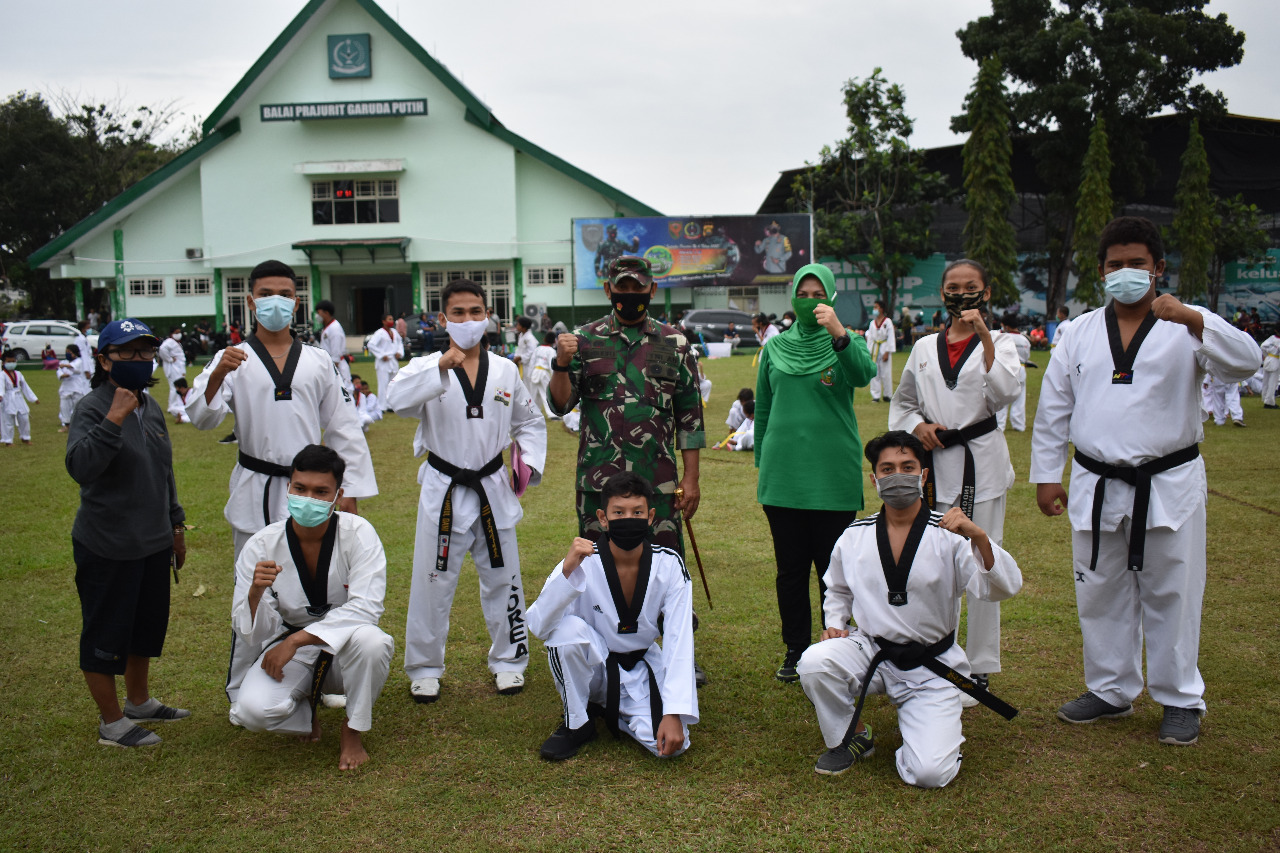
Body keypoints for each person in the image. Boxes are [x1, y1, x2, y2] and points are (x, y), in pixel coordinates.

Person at [1031, 215, 1262, 746]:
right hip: (1096, 480)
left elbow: (1246, 364)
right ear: (1100, 271)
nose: (1126, 273)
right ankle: (1111, 689)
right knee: (1101, 591)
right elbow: (1054, 409)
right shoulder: (1080, 332)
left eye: (1137, 263)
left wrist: (1194, 319)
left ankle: (1180, 697)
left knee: (1173, 592)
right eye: (1116, 265)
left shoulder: (1189, 324)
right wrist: (1047, 474)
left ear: (1158, 268)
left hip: (1168, 481)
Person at [798, 431, 1022, 786]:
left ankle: (933, 739)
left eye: (907, 467)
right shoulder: (855, 535)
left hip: (931, 663)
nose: (897, 475)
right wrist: (836, 623)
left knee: (930, 773)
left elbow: (1001, 587)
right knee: (814, 662)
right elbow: (837, 588)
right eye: (887, 469)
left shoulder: (950, 534)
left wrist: (978, 536)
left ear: (923, 476)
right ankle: (852, 735)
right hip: (872, 649)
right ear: (874, 479)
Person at [388, 279, 547, 703]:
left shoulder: (506, 370)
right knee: (432, 579)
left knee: (503, 576)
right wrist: (440, 366)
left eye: (476, 312)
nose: (468, 320)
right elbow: (396, 401)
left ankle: (510, 661)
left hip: (492, 485)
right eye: (458, 313)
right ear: (443, 319)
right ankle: (424, 667)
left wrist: (527, 466)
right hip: (443, 487)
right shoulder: (425, 367)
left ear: (488, 316)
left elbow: (529, 423)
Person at [549, 255, 707, 684]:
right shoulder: (584, 340)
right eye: (623, 288)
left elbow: (690, 417)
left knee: (667, 564)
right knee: (598, 566)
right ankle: (601, 648)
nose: (631, 296)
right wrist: (561, 364)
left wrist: (690, 480)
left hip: (656, 483)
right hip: (599, 483)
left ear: (652, 291)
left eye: (639, 289)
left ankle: (678, 650)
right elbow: (560, 403)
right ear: (609, 290)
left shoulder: (674, 344)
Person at [890, 259, 1019, 699]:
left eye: (971, 287)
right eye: (952, 287)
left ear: (986, 293)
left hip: (980, 463)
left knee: (983, 556)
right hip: (934, 465)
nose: (960, 294)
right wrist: (916, 426)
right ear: (941, 293)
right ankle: (939, 649)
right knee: (935, 562)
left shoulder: (1003, 342)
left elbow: (1004, 393)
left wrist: (985, 335)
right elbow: (904, 401)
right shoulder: (925, 347)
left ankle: (980, 662)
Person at [187, 261, 377, 561]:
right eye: (265, 293)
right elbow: (203, 419)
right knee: (255, 577)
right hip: (255, 484)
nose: (275, 300)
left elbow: (344, 426)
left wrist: (349, 488)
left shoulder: (319, 361)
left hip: (310, 489)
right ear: (251, 301)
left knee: (313, 574)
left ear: (296, 302)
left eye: (284, 294)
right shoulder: (233, 359)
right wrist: (217, 375)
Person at [229, 445, 394, 771]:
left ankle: (352, 728)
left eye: (321, 492)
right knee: (249, 712)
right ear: (288, 487)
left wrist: (296, 640)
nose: (308, 498)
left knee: (373, 642)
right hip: (291, 650)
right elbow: (253, 633)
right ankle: (305, 712)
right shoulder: (262, 545)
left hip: (346, 644)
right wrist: (254, 594)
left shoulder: (358, 534)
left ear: (338, 495)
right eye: (300, 488)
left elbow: (367, 608)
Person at [66, 318, 189, 747]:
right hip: (108, 544)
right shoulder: (92, 407)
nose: (139, 360)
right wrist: (113, 420)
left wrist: (176, 524)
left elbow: (164, 470)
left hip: (153, 541)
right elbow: (81, 468)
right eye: (127, 352)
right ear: (104, 360)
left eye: (145, 352)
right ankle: (111, 722)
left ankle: (139, 701)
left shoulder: (150, 405)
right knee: (106, 632)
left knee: (144, 628)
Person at [755, 263, 876, 681]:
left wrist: (839, 333)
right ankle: (795, 649)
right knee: (790, 571)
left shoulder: (847, 341)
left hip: (833, 477)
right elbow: (764, 410)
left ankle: (836, 648)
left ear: (831, 297)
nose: (810, 301)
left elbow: (864, 375)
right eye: (802, 294)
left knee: (835, 571)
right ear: (792, 297)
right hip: (783, 476)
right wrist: (763, 466)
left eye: (817, 294)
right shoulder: (774, 348)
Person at [526, 472, 697, 760]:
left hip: (640, 667)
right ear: (603, 519)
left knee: (668, 749)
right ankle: (577, 723)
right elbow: (541, 627)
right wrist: (567, 572)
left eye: (637, 512)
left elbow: (679, 638)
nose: (628, 518)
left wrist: (673, 711)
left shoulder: (669, 565)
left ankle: (609, 710)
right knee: (565, 633)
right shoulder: (583, 561)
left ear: (650, 516)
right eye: (619, 512)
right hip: (594, 665)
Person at [996, 313, 1032, 432]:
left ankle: (1000, 425)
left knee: (1002, 397)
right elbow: (1027, 356)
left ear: (1006, 326)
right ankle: (1019, 425)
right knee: (1020, 399)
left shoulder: (1002, 337)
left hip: (1006, 368)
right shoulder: (1025, 340)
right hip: (1021, 368)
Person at [315, 300, 354, 399]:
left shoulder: (334, 328)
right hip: (329, 364)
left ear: (326, 313)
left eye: (318, 313)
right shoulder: (327, 328)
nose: (317, 316)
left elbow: (336, 352)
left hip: (337, 365)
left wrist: (333, 367)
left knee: (343, 392)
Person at [366, 314, 404, 411]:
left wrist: (399, 352)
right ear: (384, 321)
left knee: (393, 384)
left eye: (392, 319)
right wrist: (382, 355)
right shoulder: (379, 333)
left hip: (393, 361)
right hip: (383, 362)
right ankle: (381, 407)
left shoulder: (394, 332)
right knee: (383, 385)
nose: (391, 321)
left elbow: (400, 343)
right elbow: (371, 345)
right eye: (389, 319)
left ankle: (391, 405)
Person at [1, 350, 39, 445]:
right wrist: (1, 395)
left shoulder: (18, 373)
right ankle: (8, 441)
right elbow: (0, 386)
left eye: (13, 361)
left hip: (19, 397)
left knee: (24, 417)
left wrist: (34, 398)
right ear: (4, 362)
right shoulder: (2, 375)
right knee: (8, 420)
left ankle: (25, 438)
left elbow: (25, 387)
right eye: (9, 362)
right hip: (8, 398)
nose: (11, 363)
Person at [866, 299, 896, 403]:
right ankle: (876, 395)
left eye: (876, 307)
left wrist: (888, 351)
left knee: (886, 373)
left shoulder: (887, 322)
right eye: (874, 307)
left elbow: (891, 337)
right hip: (874, 348)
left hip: (884, 347)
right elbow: (870, 338)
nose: (874, 309)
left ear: (881, 309)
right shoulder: (872, 323)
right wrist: (868, 351)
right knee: (875, 372)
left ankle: (887, 395)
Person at [56, 343, 90, 433]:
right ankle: (66, 425)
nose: (67, 354)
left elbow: (74, 368)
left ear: (75, 353)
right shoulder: (63, 362)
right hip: (65, 387)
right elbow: (59, 371)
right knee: (64, 407)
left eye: (69, 352)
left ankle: (79, 425)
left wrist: (65, 367)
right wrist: (62, 375)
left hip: (77, 387)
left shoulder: (79, 361)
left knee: (77, 407)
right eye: (66, 352)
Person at [527, 332, 557, 419]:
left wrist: (529, 375)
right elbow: (552, 365)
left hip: (535, 372)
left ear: (544, 339)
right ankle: (551, 414)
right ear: (554, 341)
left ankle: (531, 413)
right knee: (546, 394)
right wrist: (553, 377)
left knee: (533, 394)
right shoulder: (551, 351)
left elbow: (532, 362)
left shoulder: (538, 349)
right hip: (544, 373)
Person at [158, 326, 187, 415]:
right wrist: (169, 359)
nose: (179, 334)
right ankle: (172, 406)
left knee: (178, 386)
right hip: (173, 368)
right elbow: (162, 349)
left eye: (179, 332)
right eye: (176, 332)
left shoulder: (176, 342)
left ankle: (176, 404)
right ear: (171, 334)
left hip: (178, 367)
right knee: (175, 387)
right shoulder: (169, 342)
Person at [513, 316, 539, 394]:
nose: (517, 326)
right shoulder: (521, 335)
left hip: (528, 365)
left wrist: (520, 357)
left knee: (528, 385)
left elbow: (532, 352)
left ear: (523, 327)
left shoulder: (530, 338)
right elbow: (519, 349)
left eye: (518, 325)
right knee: (521, 383)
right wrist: (516, 357)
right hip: (521, 364)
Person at [1261, 325, 1280, 408]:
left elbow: (1262, 346)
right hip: (1275, 360)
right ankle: (1269, 402)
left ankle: (1265, 398)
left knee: (1266, 381)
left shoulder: (1271, 338)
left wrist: (1266, 355)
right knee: (1272, 383)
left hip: (1268, 359)